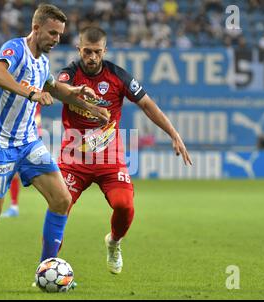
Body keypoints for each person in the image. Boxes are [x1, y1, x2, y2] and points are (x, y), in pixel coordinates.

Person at [0, 4, 109, 291]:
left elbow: (54, 88)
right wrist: (30, 92)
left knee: (61, 200)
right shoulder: (16, 48)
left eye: (60, 35)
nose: (57, 39)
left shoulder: (43, 61)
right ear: (36, 28)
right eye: (52, 33)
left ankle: (45, 272)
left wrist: (83, 101)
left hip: (28, 141)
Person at [48, 26, 192, 276]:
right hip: (73, 158)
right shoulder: (68, 74)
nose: (91, 57)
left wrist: (173, 133)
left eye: (96, 52)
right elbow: (59, 91)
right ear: (78, 49)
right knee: (60, 210)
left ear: (105, 50)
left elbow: (147, 104)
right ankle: (46, 267)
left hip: (109, 159)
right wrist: (88, 106)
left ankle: (113, 242)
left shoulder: (118, 76)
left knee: (124, 206)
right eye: (87, 51)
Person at [1, 104, 42, 218]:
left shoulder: (34, 93)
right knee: (13, 173)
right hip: (18, 137)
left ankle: (54, 198)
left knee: (39, 173)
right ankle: (14, 206)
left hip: (29, 137)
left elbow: (37, 116)